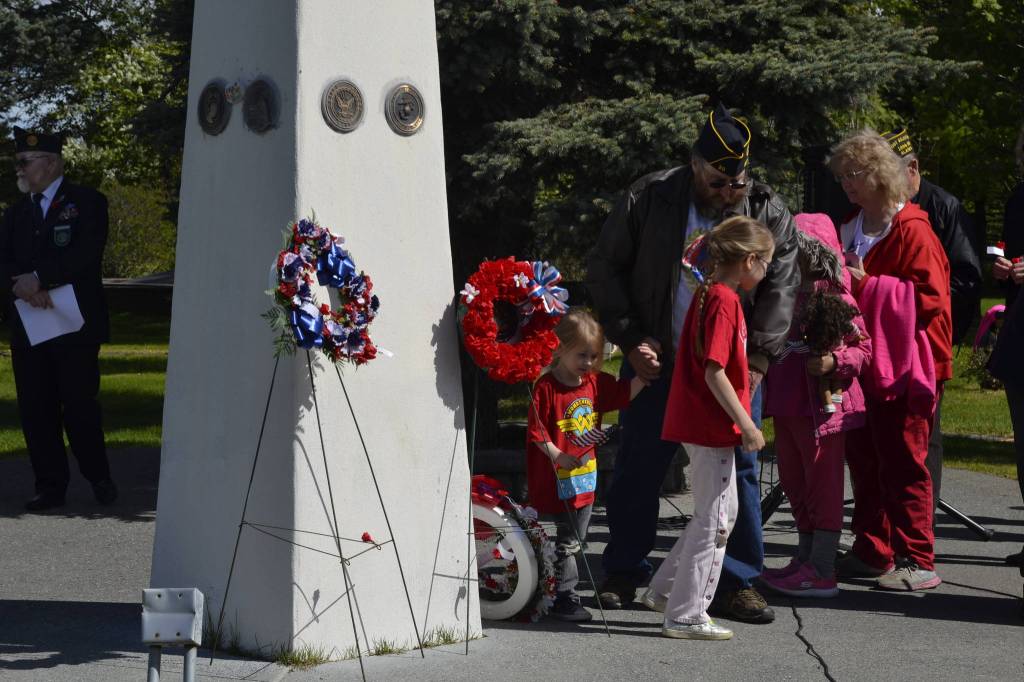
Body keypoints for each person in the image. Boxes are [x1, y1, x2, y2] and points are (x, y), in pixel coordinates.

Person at [587, 103, 800, 623]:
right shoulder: (650, 196)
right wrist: (631, 338)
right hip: (657, 359)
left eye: (737, 183)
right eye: (718, 181)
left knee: (740, 474)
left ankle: (737, 579)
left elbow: (782, 288)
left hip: (732, 368)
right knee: (640, 463)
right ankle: (625, 570)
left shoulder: (767, 209)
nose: (729, 192)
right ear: (695, 164)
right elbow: (606, 268)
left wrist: (759, 363)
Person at [830, 129, 951, 590]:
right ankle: (873, 549)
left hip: (907, 366)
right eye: (843, 176)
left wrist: (867, 285)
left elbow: (932, 300)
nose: (848, 184)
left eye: (855, 174)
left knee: (903, 460)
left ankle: (917, 559)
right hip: (865, 362)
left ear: (881, 175)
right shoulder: (850, 224)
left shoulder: (914, 231)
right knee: (865, 458)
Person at [642, 217, 773, 640]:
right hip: (709, 424)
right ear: (750, 260)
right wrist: (746, 423)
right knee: (716, 520)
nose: (767, 271)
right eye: (766, 262)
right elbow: (716, 371)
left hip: (700, 421)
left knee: (718, 514)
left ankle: (665, 592)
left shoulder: (709, 295)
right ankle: (687, 612)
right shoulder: (723, 301)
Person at [0, 127, 116, 511]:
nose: (18, 168)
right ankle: (49, 486)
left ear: (49, 163)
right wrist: (21, 286)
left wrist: (41, 279)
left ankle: (99, 477)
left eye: (24, 162)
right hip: (30, 326)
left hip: (74, 326)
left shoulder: (87, 202)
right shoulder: (15, 214)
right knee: (36, 408)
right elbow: (5, 260)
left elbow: (85, 253)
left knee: (79, 405)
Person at [759, 213, 871, 597]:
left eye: (805, 252)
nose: (797, 260)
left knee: (822, 486)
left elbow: (863, 349)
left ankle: (822, 568)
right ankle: (804, 556)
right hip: (788, 407)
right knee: (794, 482)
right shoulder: (781, 293)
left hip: (825, 412)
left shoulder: (836, 297)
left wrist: (834, 362)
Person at [881, 126, 982, 506]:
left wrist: (924, 325)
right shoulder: (878, 209)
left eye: (889, 177)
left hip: (925, 337)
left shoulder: (943, 207)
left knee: (925, 433)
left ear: (913, 168)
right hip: (888, 336)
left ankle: (925, 516)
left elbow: (966, 278)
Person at [526, 309, 645, 621]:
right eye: (582, 355)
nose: (589, 363)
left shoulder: (593, 383)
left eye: (594, 356)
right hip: (558, 475)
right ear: (561, 348)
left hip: (584, 477)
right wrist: (556, 453)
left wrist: (644, 376)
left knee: (574, 540)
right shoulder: (547, 388)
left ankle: (550, 591)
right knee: (567, 541)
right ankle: (564, 597)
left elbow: (623, 393)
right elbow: (537, 431)